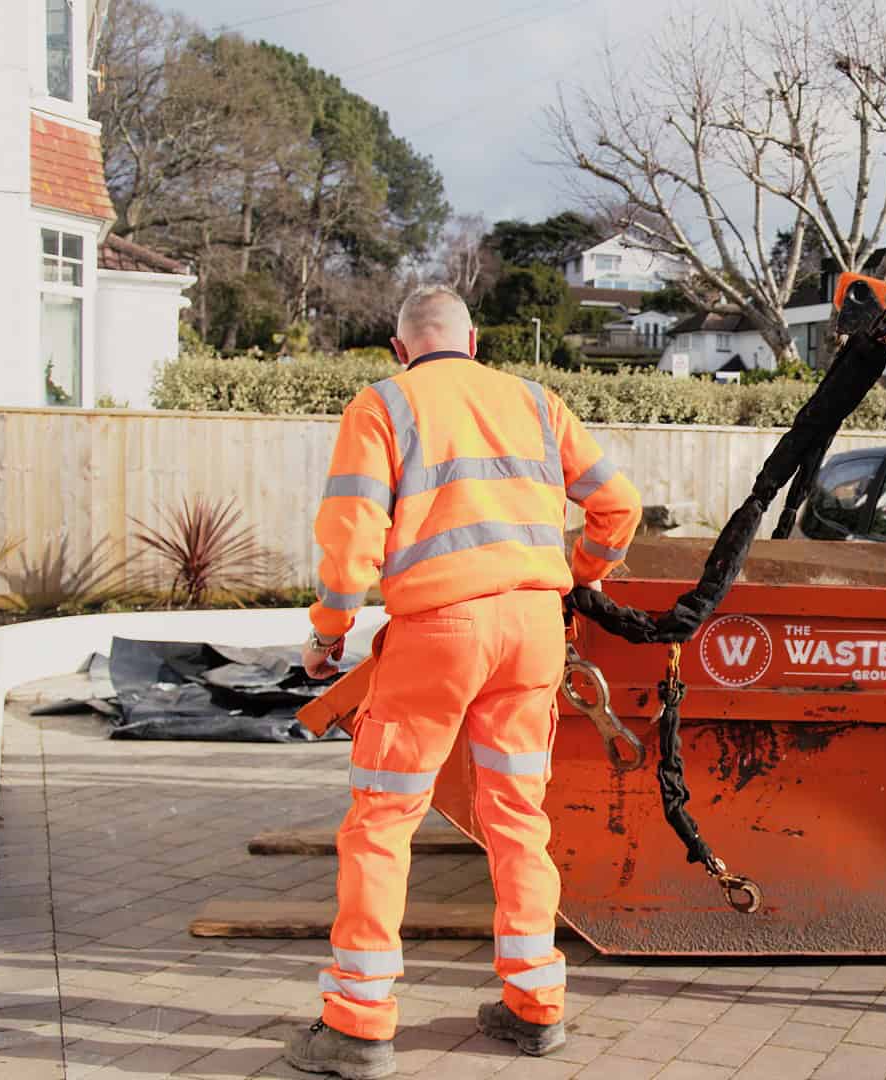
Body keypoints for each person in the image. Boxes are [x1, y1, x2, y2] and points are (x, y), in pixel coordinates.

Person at [285, 285, 640, 1079]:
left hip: (438, 635)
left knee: (383, 818)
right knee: (517, 813)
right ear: (474, 341)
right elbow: (619, 505)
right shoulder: (539, 403)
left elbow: (350, 545)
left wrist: (330, 634)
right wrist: (577, 575)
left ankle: (358, 1025)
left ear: (399, 347)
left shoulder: (382, 404)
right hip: (534, 631)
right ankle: (534, 1007)